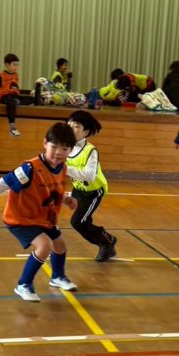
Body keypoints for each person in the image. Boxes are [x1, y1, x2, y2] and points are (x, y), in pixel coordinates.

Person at [0, 122, 79, 301]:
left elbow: (52, 190)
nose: (58, 152)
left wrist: (66, 199)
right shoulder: (30, 168)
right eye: (54, 146)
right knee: (45, 245)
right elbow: (2, 183)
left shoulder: (62, 168)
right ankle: (24, 284)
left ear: (70, 150)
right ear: (44, 143)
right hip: (21, 219)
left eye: (64, 148)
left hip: (44, 218)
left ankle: (57, 277)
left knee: (60, 245)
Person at [66, 110, 117, 262]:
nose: (70, 128)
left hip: (93, 191)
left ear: (86, 132)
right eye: (69, 124)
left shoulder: (90, 151)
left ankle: (106, 242)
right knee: (83, 221)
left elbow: (89, 175)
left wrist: (65, 170)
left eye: (76, 126)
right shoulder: (65, 146)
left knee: (78, 221)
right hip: (79, 189)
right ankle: (105, 239)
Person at [0, 53, 22, 136]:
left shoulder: (16, 75)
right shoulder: (1, 75)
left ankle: (17, 101)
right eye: (14, 65)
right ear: (7, 65)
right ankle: (12, 125)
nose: (16, 67)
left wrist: (16, 90)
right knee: (11, 102)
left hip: (13, 95)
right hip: (4, 96)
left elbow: (15, 86)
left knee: (28, 99)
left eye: (17, 65)